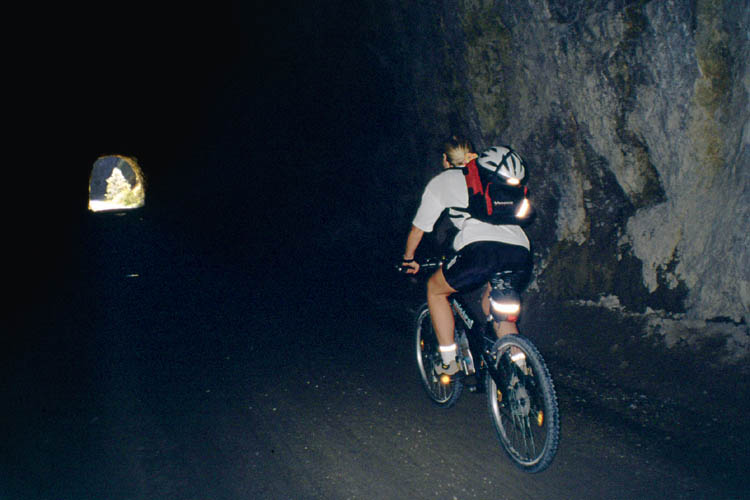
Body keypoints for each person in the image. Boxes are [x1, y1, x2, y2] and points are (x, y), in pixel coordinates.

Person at [401, 136, 532, 376]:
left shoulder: (442, 182)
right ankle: (522, 368)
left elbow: (417, 229)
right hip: (520, 250)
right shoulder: (489, 177)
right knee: (494, 305)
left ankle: (449, 361)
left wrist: (409, 259)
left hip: (480, 251)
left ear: (445, 159)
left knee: (436, 289)